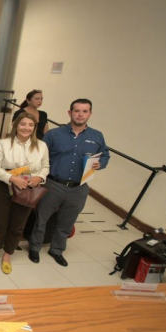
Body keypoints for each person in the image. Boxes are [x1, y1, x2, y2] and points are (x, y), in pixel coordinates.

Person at [28, 99, 109, 267]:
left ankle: (57, 250)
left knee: (67, 222)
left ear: (90, 114)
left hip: (79, 188)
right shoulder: (54, 134)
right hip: (53, 184)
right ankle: (34, 247)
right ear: (70, 113)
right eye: (77, 111)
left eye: (85, 111)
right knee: (41, 219)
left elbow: (105, 155)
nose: (80, 114)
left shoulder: (97, 136)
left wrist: (100, 164)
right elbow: (39, 155)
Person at [0, 113, 49, 274]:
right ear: (16, 125)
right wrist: (12, 179)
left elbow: (45, 167)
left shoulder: (41, 146)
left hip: (27, 189)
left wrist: (39, 178)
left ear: (34, 128)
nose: (26, 128)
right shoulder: (3, 143)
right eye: (23, 124)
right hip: (4, 186)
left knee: (18, 224)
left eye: (30, 125)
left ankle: (8, 254)